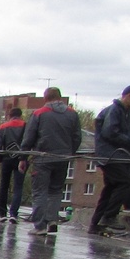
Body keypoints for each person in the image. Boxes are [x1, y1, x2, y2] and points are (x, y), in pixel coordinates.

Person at [20, 87, 82, 237]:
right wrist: (70, 152)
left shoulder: (39, 113)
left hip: (43, 158)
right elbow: (77, 137)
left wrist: (23, 157)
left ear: (45, 98)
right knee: (55, 190)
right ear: (60, 97)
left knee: (40, 191)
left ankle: (40, 225)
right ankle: (52, 220)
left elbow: (29, 137)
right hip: (63, 158)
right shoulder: (72, 114)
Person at [91, 85, 130, 234]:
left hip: (117, 156)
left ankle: (95, 224)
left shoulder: (126, 113)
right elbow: (110, 132)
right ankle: (109, 217)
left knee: (110, 189)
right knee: (126, 183)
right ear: (129, 95)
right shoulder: (115, 110)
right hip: (111, 156)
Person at [0, 107, 27, 223]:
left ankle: (2, 213)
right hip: (21, 159)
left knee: (4, 186)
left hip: (6, 159)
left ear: (9, 115)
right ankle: (13, 214)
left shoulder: (2, 127)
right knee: (18, 187)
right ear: (20, 115)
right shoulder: (25, 126)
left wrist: (0, 158)